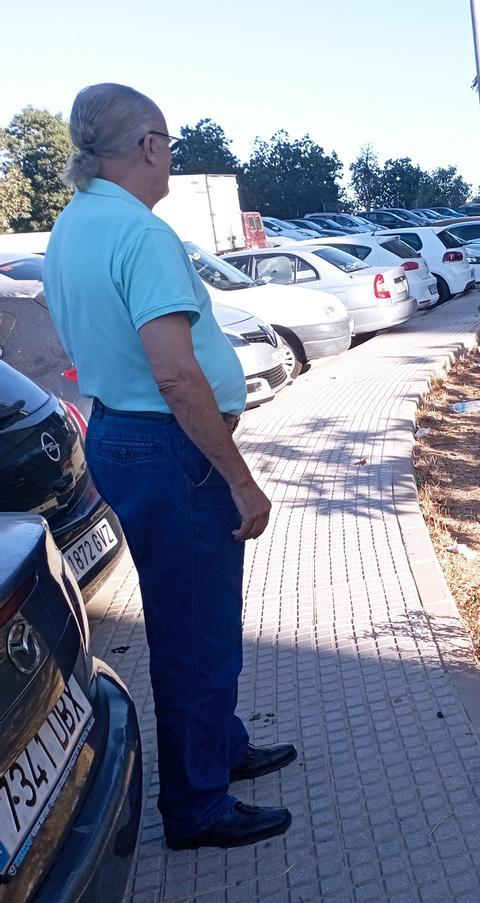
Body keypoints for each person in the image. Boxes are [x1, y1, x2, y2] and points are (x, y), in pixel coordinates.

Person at [43, 83, 295, 851]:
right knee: (198, 633)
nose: (174, 159)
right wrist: (241, 478)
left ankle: (217, 747)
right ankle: (197, 806)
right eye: (170, 144)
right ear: (149, 144)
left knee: (189, 621)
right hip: (170, 446)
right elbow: (178, 375)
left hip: (124, 436)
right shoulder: (141, 234)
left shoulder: (72, 226)